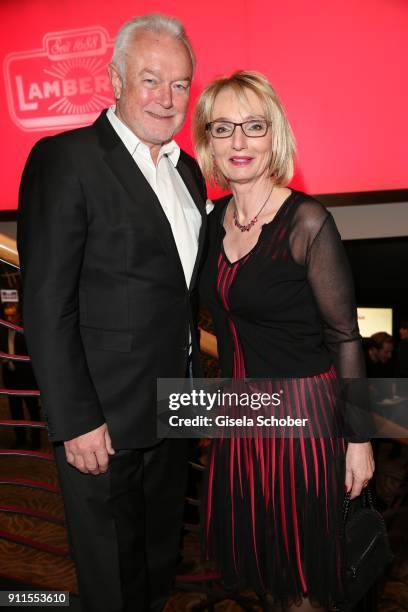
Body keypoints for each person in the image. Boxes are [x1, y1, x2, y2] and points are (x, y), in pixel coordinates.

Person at [18, 14, 207, 612]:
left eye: (180, 85)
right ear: (116, 78)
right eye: (152, 80)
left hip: (173, 414)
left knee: (156, 571)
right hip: (100, 426)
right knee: (111, 587)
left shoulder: (190, 173)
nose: (167, 98)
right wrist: (74, 419)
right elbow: (47, 302)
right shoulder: (67, 159)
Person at [193, 71, 374, 611]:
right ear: (207, 142)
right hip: (241, 420)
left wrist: (359, 440)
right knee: (265, 573)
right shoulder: (212, 224)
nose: (240, 142)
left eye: (254, 126)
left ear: (275, 135)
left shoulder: (307, 222)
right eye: (223, 129)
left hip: (302, 425)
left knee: (303, 582)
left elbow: (344, 336)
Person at [0, 303, 41, 449]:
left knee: (33, 410)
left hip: (28, 378)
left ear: (19, 315)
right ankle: (20, 438)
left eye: (13, 315)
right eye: (7, 316)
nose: (10, 318)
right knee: (15, 410)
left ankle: (36, 441)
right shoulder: (3, 331)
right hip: (11, 377)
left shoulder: (27, 331)